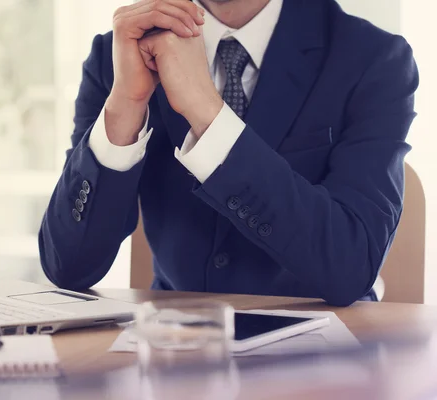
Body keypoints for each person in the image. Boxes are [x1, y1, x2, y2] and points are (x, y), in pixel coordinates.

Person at [39, 0, 419, 306]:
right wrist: (127, 102)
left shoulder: (373, 58)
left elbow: (351, 266)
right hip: (177, 352)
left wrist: (208, 113)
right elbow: (68, 267)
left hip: (327, 355)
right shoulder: (118, 51)